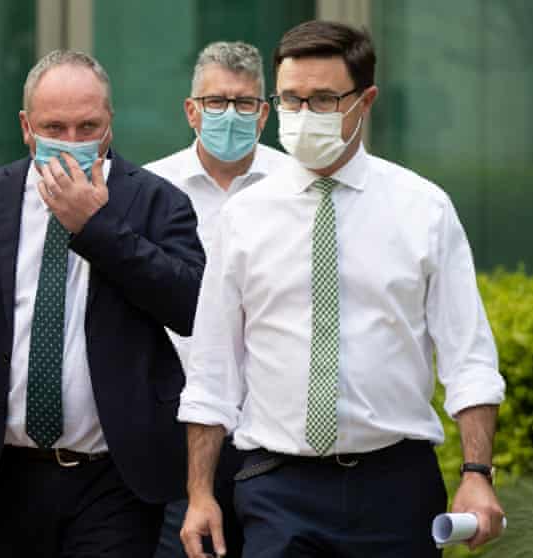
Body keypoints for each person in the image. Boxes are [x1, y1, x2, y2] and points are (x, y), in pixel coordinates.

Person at [179, 21, 506, 558]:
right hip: (278, 488)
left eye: (325, 100)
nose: (304, 115)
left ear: (366, 100)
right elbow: (212, 373)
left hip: (396, 487)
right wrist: (199, 494)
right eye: (290, 99)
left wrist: (477, 473)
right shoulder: (243, 217)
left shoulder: (423, 209)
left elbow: (468, 358)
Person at [0, 49, 205, 557]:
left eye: (87, 126)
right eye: (55, 127)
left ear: (110, 124)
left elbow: (189, 306)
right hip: (6, 476)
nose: (71, 143)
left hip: (115, 476)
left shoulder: (157, 200)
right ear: (26, 127)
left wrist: (96, 228)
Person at [144, 40, 290, 558]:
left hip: (270, 435)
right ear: (191, 110)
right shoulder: (151, 189)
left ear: (265, 112)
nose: (230, 114)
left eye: (244, 103)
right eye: (215, 102)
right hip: (171, 430)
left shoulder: (295, 188)